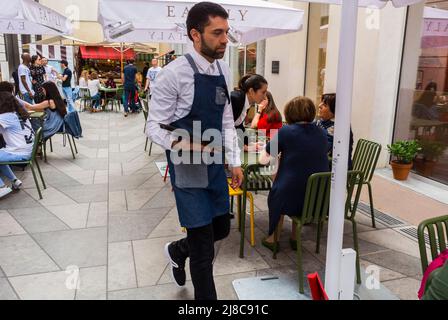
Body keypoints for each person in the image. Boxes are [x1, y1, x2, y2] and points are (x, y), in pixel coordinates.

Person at [146, 2, 242, 300]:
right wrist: (187, 145)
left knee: (222, 229)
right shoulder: (172, 75)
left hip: (215, 166)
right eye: (217, 33)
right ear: (195, 35)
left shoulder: (224, 69)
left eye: (227, 32)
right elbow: (154, 127)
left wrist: (235, 161)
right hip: (187, 169)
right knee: (203, 251)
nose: (225, 39)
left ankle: (177, 249)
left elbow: (227, 120)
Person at [259, 96, 329, 251]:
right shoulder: (322, 132)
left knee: (279, 191)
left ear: (289, 113)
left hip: (290, 196)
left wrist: (270, 151)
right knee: (297, 182)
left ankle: (273, 239)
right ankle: (294, 238)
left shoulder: (286, 131)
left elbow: (264, 160)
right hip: (318, 197)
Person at [0, 92, 35, 198]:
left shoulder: (6, 117)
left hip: (20, 152)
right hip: (28, 150)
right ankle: (14, 180)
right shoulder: (19, 113)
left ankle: (1, 188)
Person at [316, 93, 354, 169]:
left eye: (325, 105)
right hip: (326, 165)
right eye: (321, 103)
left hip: (335, 172)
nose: (319, 105)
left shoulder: (339, 127)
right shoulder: (322, 121)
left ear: (334, 111)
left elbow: (323, 149)